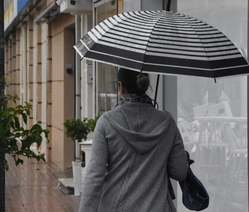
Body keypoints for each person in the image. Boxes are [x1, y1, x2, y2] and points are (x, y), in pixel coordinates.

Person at [78, 68, 189, 212]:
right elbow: (180, 172)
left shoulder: (106, 122)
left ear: (120, 86)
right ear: (144, 85)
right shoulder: (167, 122)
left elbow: (94, 178)